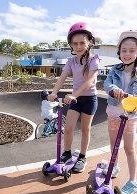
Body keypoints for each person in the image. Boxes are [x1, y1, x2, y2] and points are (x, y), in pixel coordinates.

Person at [103, 30, 137, 194]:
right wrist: (112, 89)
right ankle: (114, 166)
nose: (127, 54)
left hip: (130, 116)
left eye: (132, 50)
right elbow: (107, 83)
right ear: (119, 52)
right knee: (113, 143)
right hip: (114, 113)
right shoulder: (114, 70)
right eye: (124, 50)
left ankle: (133, 182)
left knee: (129, 148)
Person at [47, 22, 100, 172]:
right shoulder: (71, 61)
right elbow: (62, 78)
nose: (78, 46)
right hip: (75, 99)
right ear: (70, 45)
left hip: (89, 99)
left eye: (82, 43)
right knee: (69, 128)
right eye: (75, 43)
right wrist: (53, 93)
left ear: (89, 43)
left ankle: (82, 156)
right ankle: (67, 153)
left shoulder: (93, 59)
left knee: (85, 129)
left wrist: (73, 95)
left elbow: (90, 82)